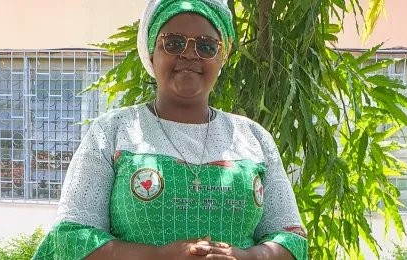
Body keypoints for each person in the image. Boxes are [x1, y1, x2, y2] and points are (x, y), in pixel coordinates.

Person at [33, 0, 308, 259]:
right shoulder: (113, 131)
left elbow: (291, 239)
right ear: (152, 53)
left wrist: (245, 256)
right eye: (174, 43)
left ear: (221, 58)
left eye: (207, 46)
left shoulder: (253, 138)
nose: (189, 54)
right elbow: (71, 237)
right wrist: (159, 256)